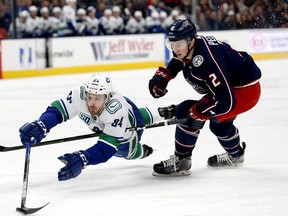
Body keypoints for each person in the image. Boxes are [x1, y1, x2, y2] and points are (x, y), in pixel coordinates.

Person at [148, 18, 261, 176]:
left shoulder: (207, 61)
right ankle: (236, 156)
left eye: (179, 44)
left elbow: (226, 102)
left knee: (189, 112)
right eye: (172, 44)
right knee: (218, 123)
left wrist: (198, 112)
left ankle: (182, 161)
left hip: (244, 91)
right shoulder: (193, 47)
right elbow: (180, 59)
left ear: (191, 41)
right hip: (232, 86)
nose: (175, 49)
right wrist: (164, 76)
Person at [19, 74, 165, 181]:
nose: (92, 103)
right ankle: (165, 112)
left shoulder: (115, 109)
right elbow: (58, 111)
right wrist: (42, 124)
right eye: (90, 97)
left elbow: (106, 149)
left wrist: (84, 158)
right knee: (116, 123)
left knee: (124, 151)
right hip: (113, 119)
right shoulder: (80, 95)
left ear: (107, 98)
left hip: (130, 125)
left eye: (97, 98)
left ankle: (144, 150)